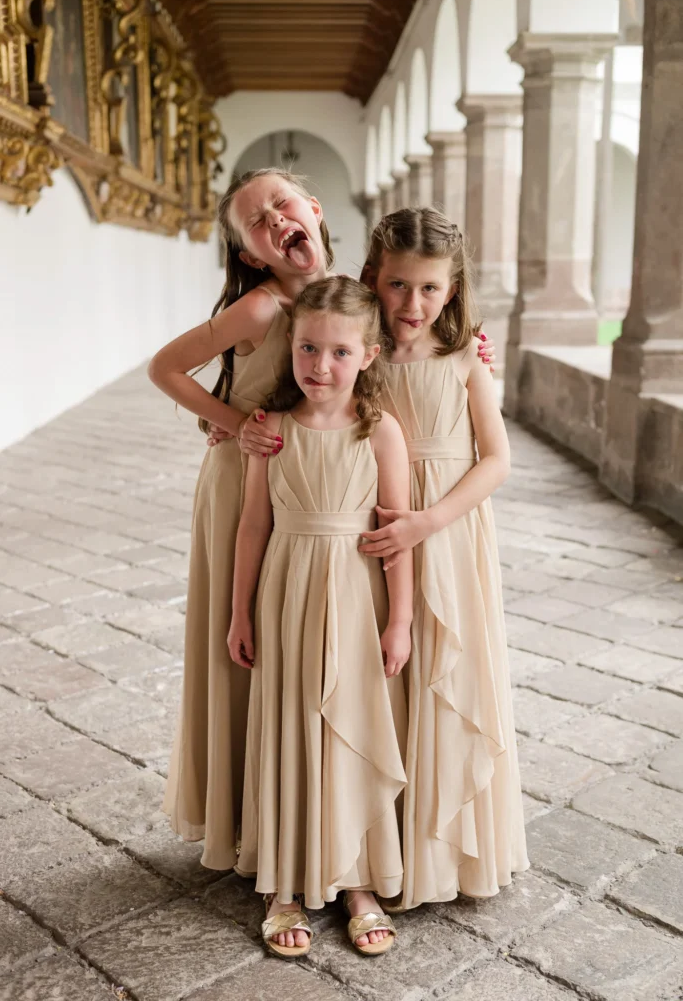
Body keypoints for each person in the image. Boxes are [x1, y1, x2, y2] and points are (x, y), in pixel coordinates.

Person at [147, 167, 333, 869]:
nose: (276, 218)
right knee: (246, 644)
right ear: (253, 254)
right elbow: (165, 368)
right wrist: (234, 422)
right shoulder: (259, 310)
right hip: (241, 486)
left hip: (314, 496)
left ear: (312, 210)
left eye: (283, 204)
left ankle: (313, 805)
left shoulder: (353, 300)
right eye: (258, 221)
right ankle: (247, 819)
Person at [227, 276, 412, 958]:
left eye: (339, 352)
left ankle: (359, 880)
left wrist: (402, 620)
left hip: (357, 594)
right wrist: (239, 612)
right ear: (292, 345)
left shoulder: (381, 430)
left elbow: (396, 531)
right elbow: (253, 524)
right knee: (290, 722)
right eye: (308, 347)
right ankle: (285, 884)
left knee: (352, 726)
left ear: (368, 354)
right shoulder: (269, 429)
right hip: (286, 590)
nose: (319, 365)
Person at [359, 207, 529, 911]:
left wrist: (427, 522)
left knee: (443, 672)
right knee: (385, 671)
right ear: (374, 277)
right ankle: (379, 840)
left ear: (454, 290)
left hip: (448, 527)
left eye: (431, 289)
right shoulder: (358, 351)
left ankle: (443, 847)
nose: (413, 305)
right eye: (399, 286)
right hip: (375, 522)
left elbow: (497, 460)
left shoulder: (464, 359)